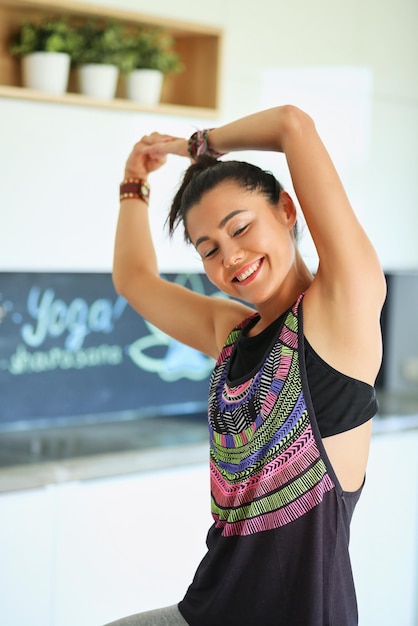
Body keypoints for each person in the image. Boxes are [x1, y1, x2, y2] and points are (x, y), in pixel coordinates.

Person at [106, 105, 386, 626]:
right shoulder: (232, 335)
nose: (230, 257)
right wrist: (133, 182)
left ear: (286, 209)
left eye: (240, 228)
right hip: (208, 609)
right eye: (209, 250)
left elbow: (292, 125)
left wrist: (195, 146)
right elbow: (135, 281)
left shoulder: (341, 308)